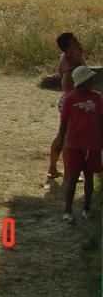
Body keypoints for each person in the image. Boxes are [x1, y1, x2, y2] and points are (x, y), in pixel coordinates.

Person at [53, 66, 103, 221]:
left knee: (89, 176)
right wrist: (61, 140)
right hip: (74, 143)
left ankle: (86, 208)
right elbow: (64, 122)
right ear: (82, 82)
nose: (92, 81)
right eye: (89, 79)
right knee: (72, 177)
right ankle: (67, 211)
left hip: (92, 143)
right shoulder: (70, 99)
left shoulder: (97, 98)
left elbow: (101, 119)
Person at [50, 33, 88, 179]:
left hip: (72, 102)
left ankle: (53, 169)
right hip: (71, 103)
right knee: (67, 139)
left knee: (63, 136)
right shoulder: (68, 65)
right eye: (74, 43)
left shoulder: (73, 56)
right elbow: (68, 89)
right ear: (67, 49)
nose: (78, 44)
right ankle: (68, 173)